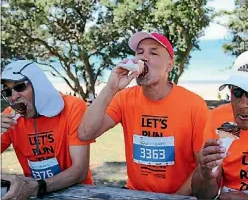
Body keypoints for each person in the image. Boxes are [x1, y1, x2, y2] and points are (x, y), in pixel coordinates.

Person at [78, 31, 209, 195]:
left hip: (178, 195)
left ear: (169, 65)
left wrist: (175, 198)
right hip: (134, 193)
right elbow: (85, 134)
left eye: (153, 53)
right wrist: (111, 88)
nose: (144, 58)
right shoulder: (124, 98)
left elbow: (203, 165)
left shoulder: (194, 104)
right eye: (140, 53)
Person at [1, 60, 94, 200]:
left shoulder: (73, 107)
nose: (13, 97)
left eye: (20, 87)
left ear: (38, 85)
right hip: (33, 194)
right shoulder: (9, 117)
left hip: (78, 193)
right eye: (7, 91)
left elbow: (79, 170)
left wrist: (36, 187)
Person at [192, 48, 248, 199]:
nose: (243, 104)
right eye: (237, 91)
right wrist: (206, 175)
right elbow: (202, 194)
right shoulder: (220, 118)